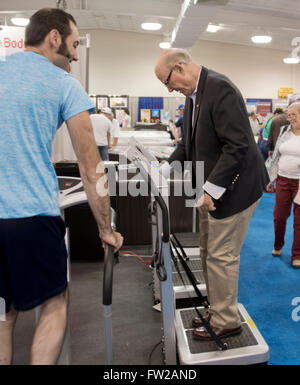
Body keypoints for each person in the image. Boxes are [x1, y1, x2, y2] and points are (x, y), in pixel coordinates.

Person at [0, 8, 123, 365]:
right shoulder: (63, 84)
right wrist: (106, 229)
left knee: (3, 315)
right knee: (54, 304)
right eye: (73, 44)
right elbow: (91, 166)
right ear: (54, 37)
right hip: (32, 216)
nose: (74, 55)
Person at [155, 48, 269, 341]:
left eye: (168, 82)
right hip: (212, 189)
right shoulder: (194, 95)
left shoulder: (220, 88)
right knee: (207, 250)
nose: (169, 89)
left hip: (236, 188)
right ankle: (218, 309)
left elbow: (238, 146)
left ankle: (227, 321)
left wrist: (210, 190)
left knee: (221, 255)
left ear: (179, 67)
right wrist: (165, 170)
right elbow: (189, 145)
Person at [265, 102, 300, 268]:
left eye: (294, 115)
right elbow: (276, 156)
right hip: (283, 180)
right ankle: (278, 245)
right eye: (289, 115)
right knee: (279, 216)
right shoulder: (284, 131)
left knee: (299, 221)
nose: (291, 118)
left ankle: (297, 254)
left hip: (299, 183)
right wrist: (270, 179)